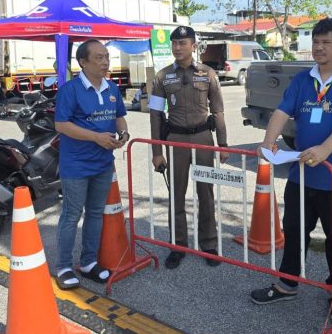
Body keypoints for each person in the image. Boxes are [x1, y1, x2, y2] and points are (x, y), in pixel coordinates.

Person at [250, 18, 332, 313]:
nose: (318, 47)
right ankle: (286, 284)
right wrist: (268, 142)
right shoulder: (304, 79)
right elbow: (282, 111)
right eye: (315, 42)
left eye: (326, 42)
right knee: (293, 229)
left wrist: (325, 149)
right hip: (301, 173)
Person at [149, 25, 229, 269]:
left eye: (183, 43)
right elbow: (154, 114)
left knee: (206, 194)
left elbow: (218, 110)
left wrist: (223, 143)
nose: (177, 47)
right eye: (174, 43)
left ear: (193, 46)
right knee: (176, 194)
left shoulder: (208, 74)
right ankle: (178, 245)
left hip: (204, 138)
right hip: (176, 140)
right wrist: (157, 151)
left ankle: (209, 244)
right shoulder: (162, 77)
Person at [53, 40, 130, 290]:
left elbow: (119, 116)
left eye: (107, 56)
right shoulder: (70, 90)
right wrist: (96, 137)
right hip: (76, 165)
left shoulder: (112, 88)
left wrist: (124, 134)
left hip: (103, 164)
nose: (105, 61)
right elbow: (62, 125)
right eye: (99, 57)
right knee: (72, 215)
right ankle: (64, 266)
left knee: (95, 213)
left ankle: (88, 262)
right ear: (83, 62)